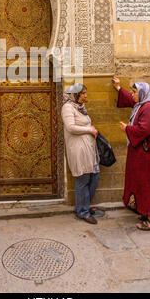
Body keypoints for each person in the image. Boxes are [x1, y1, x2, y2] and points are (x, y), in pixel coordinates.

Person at [112, 76, 150, 230]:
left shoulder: (148, 108)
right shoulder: (144, 104)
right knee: (144, 185)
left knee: (148, 186)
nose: (133, 95)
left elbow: (144, 129)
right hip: (145, 155)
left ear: (142, 93)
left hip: (148, 155)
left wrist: (127, 128)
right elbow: (130, 100)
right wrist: (119, 88)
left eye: (135, 92)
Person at [61, 83, 104, 224]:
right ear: (75, 94)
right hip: (79, 150)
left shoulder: (81, 107)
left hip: (89, 149)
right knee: (83, 179)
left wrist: (90, 130)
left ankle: (83, 206)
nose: (85, 95)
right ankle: (82, 212)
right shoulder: (67, 107)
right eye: (83, 93)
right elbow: (71, 127)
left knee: (94, 177)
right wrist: (89, 130)